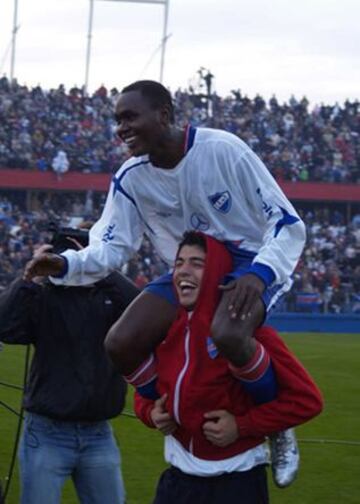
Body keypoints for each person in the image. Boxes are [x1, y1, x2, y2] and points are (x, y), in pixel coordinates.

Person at [23, 80, 306, 484]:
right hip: (187, 268)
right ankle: (173, 407)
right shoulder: (131, 176)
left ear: (165, 115)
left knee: (227, 333)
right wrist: (65, 265)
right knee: (120, 343)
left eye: (130, 117)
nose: (121, 128)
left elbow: (288, 224)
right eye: (118, 120)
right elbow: (111, 245)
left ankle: (275, 425)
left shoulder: (224, 150)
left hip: (247, 263)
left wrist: (261, 275)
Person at [134, 231, 323, 503]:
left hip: (237, 482)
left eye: (197, 264)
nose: (184, 271)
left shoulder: (250, 335)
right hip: (177, 483)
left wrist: (242, 426)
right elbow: (147, 391)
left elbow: (308, 400)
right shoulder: (166, 329)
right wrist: (149, 412)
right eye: (179, 263)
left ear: (216, 274)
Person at [0, 229, 140, 504]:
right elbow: (4, 325)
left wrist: (100, 267)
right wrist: (31, 277)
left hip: (97, 432)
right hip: (47, 431)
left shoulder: (107, 298)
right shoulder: (43, 298)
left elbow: (143, 314)